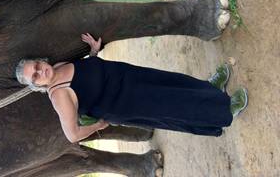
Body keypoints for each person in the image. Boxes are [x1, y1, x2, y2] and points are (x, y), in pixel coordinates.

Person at [15, 33, 248, 143]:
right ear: (37, 85)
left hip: (130, 77)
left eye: (36, 65)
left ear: (40, 60)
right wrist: (98, 125)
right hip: (127, 102)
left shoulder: (58, 65)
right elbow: (72, 135)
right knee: (173, 105)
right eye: (35, 76)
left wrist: (94, 52)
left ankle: (210, 90)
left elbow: (88, 74)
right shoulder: (59, 96)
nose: (40, 71)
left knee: (172, 82)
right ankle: (224, 111)